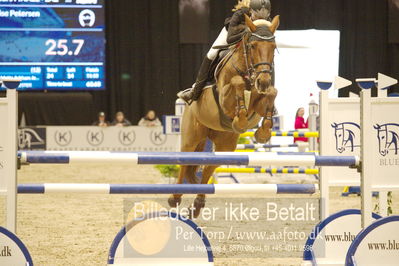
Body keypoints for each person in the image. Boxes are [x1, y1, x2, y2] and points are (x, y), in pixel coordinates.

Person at [177, 0, 272, 104]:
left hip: (250, 44)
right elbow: (230, 39)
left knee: (265, 59)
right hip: (232, 35)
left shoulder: (267, 21)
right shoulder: (240, 14)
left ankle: (268, 95)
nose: (260, 20)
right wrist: (247, 32)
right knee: (211, 54)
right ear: (251, 11)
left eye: (263, 18)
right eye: (256, 17)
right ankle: (195, 91)